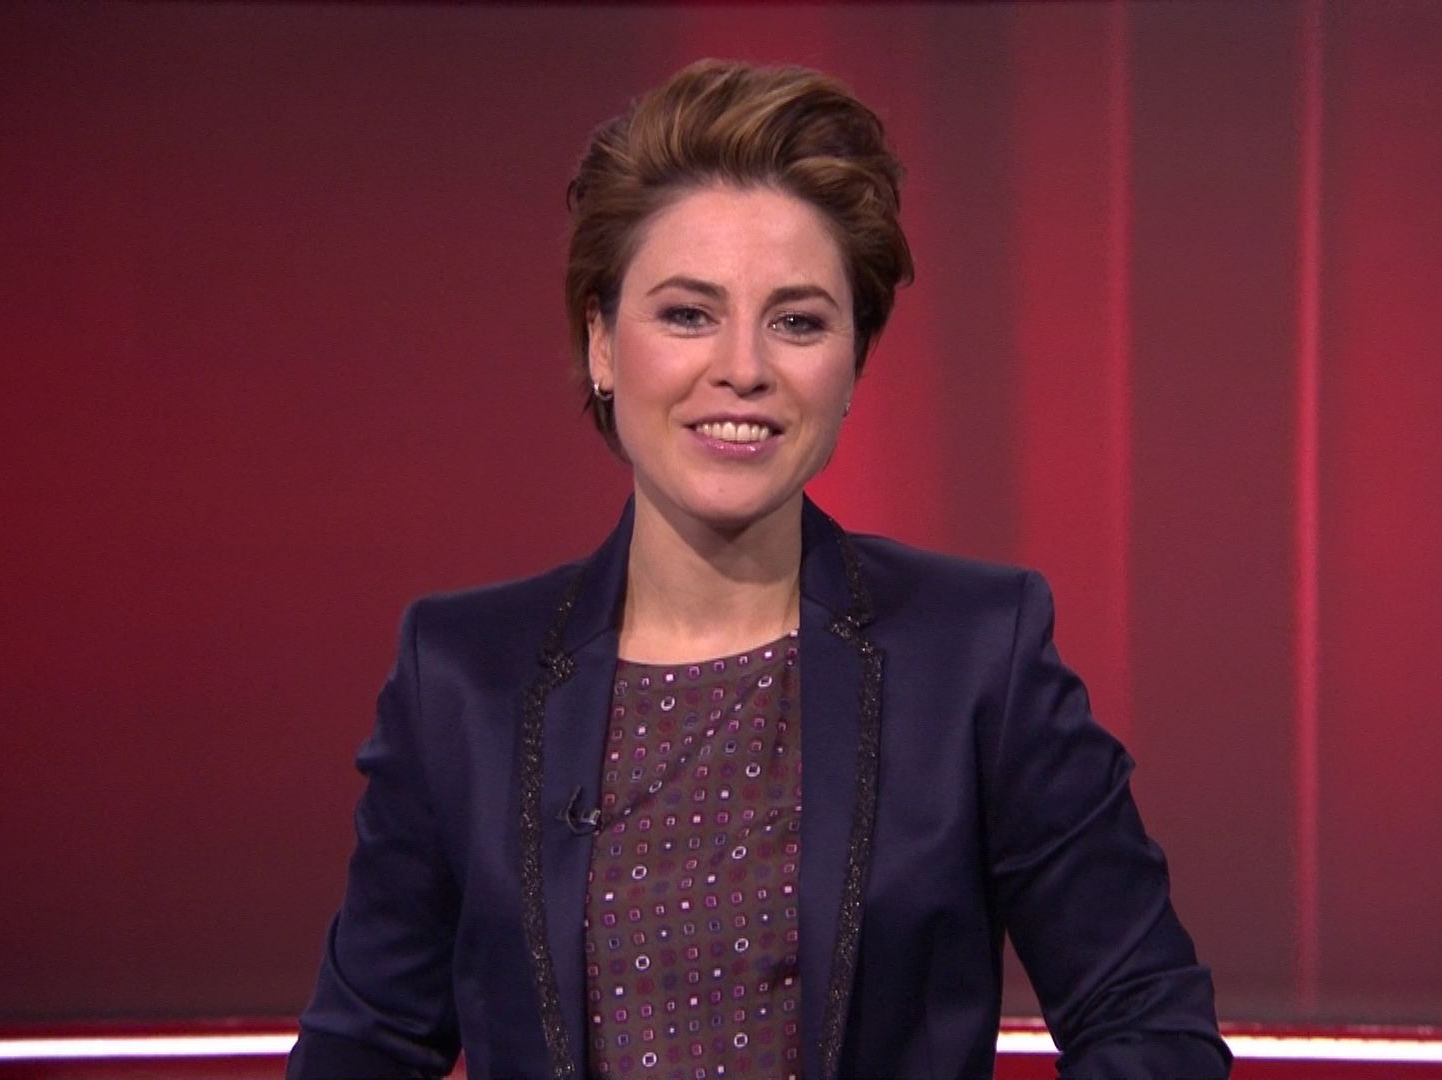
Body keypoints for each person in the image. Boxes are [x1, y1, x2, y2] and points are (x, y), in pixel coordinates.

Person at [289, 59, 1230, 1080]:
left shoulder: (974, 657)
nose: (743, 368)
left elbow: (1151, 1025)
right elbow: (365, 1043)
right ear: (601, 342)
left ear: (854, 364)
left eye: (798, 321)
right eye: (688, 314)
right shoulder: (463, 676)